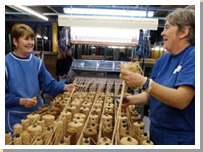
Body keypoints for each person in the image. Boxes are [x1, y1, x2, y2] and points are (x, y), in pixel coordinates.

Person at [120, 8, 195, 145]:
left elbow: (181, 100)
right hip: (156, 131)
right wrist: (130, 100)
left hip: (180, 138)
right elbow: (152, 94)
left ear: (184, 32)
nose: (162, 33)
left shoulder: (193, 57)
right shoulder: (164, 59)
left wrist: (144, 82)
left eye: (167, 27)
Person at [5, 24, 77, 134]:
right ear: (15, 42)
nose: (30, 43)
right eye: (26, 39)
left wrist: (64, 87)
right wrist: (20, 101)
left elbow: (49, 84)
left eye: (32, 39)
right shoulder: (5, 64)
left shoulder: (37, 63)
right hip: (15, 118)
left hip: (37, 114)